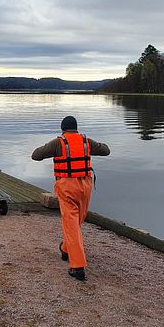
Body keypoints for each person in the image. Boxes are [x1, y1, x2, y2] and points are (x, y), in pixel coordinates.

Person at [31, 116, 110, 281]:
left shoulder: (58, 143)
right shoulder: (86, 141)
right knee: (76, 222)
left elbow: (35, 155)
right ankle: (66, 249)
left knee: (71, 224)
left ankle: (77, 266)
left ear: (63, 129)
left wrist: (50, 149)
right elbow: (106, 150)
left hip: (67, 186)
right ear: (76, 128)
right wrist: (94, 147)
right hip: (85, 187)